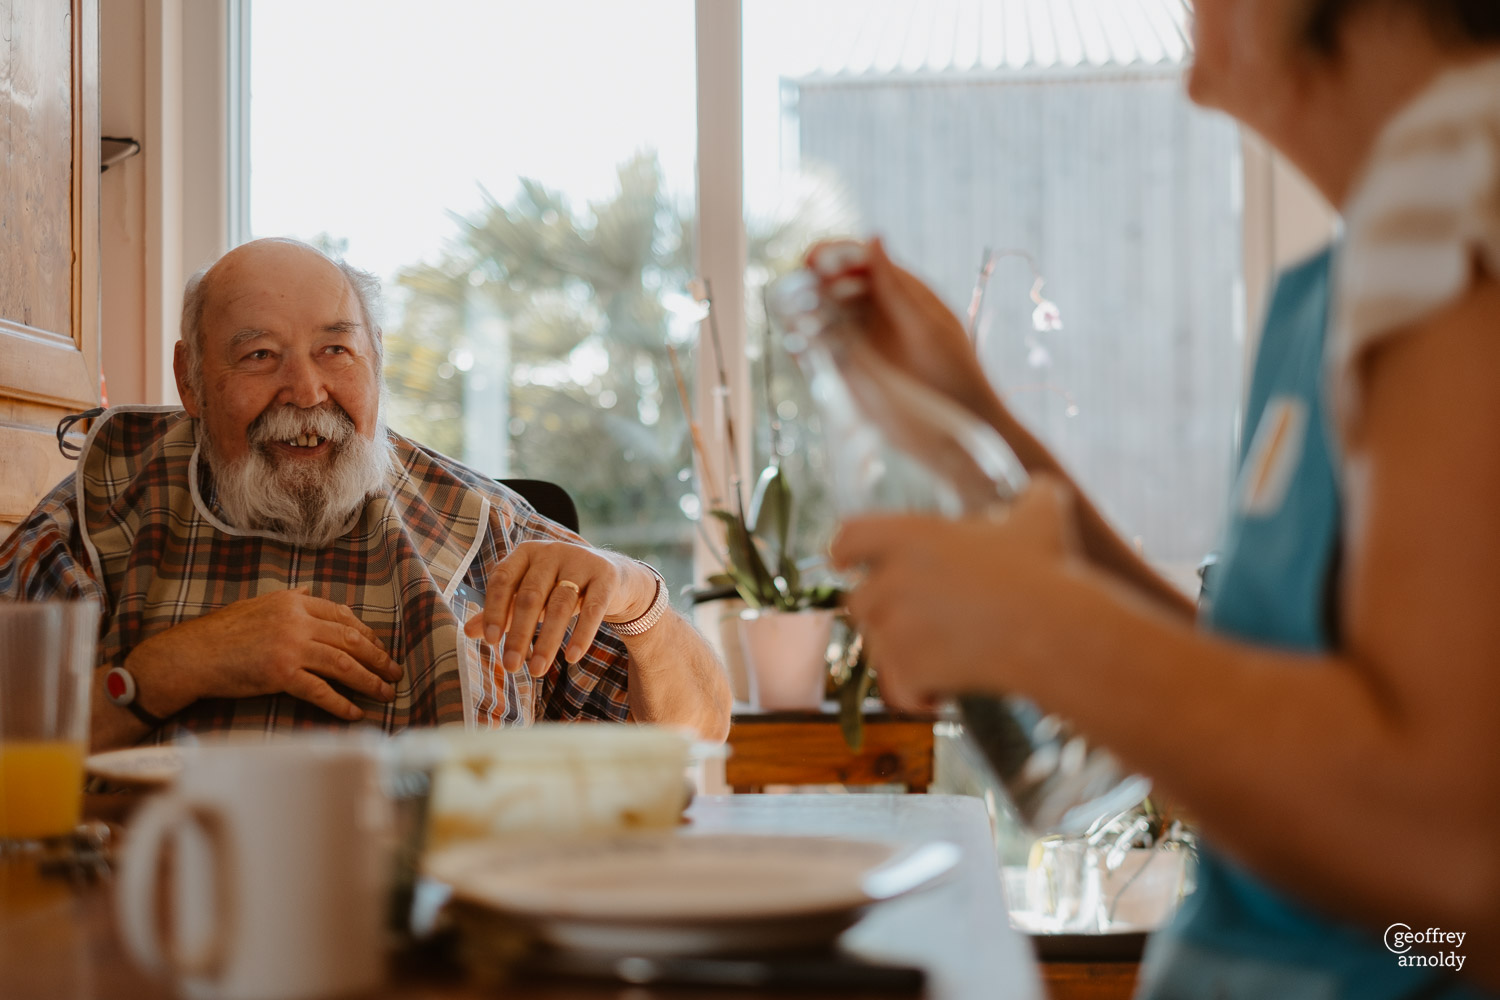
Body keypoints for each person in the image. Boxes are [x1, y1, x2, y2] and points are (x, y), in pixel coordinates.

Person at [824, 1, 1500, 996]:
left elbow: (1449, 854)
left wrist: (1047, 630)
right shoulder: (1356, 272)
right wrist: (974, 424)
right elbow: (1259, 714)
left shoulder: (1462, 204)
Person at [0, 238, 731, 750]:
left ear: (376, 363)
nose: (307, 391)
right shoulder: (97, 518)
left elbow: (696, 737)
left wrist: (640, 602)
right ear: (190, 380)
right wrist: (169, 669)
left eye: (336, 351)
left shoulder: (491, 531)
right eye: (259, 355)